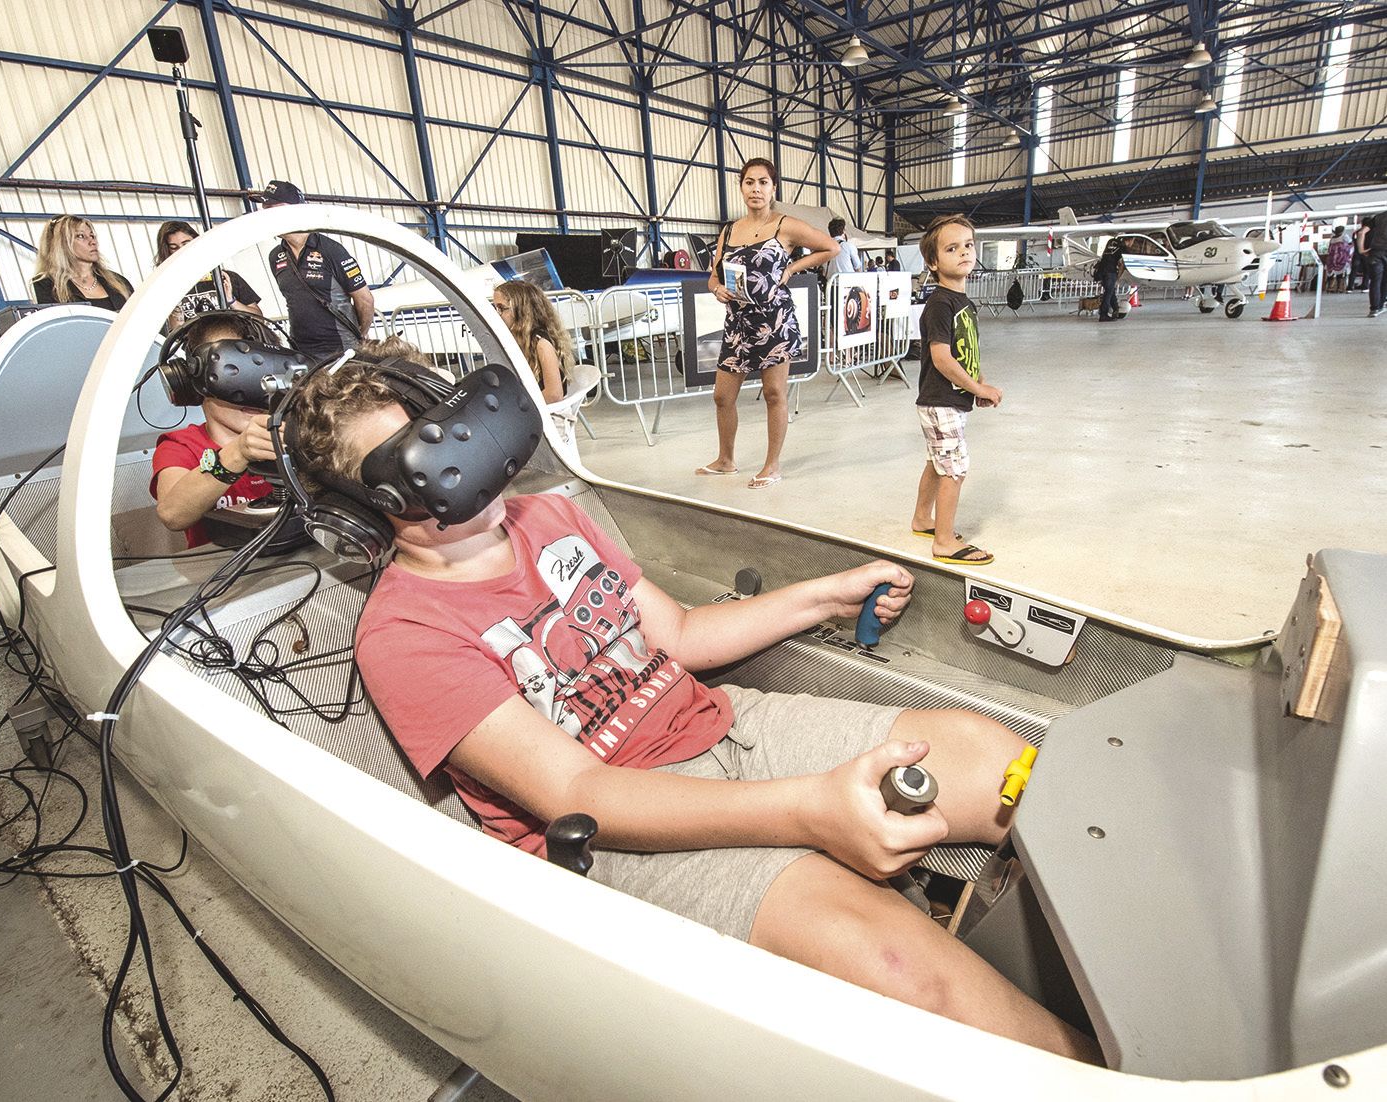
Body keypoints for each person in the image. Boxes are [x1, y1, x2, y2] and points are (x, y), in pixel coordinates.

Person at [277, 363, 1098, 1063]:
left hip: (719, 723)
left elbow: (680, 635)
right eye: (417, 468)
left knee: (997, 765)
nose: (459, 469)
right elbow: (578, 793)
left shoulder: (549, 516)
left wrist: (822, 592)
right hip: (618, 827)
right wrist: (808, 813)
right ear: (364, 508)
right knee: (899, 973)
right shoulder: (403, 631)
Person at [695, 158, 837, 489]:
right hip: (738, 324)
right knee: (722, 396)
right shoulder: (729, 230)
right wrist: (716, 289)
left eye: (763, 182)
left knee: (774, 393)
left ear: (773, 188)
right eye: (749, 182)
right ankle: (726, 459)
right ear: (741, 187)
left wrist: (790, 269)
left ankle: (772, 465)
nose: (755, 189)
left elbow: (830, 247)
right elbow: (713, 275)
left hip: (775, 322)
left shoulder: (785, 225)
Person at [909, 215, 1000, 567]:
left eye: (968, 245)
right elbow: (942, 358)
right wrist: (976, 385)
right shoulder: (940, 304)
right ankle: (944, 541)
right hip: (939, 400)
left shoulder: (964, 303)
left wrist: (976, 386)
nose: (963, 252)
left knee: (938, 461)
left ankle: (922, 520)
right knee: (954, 469)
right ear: (933, 262)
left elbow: (968, 352)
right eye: (951, 248)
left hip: (951, 400)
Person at [149, 313, 279, 547]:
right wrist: (238, 453)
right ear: (194, 382)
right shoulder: (181, 446)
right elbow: (172, 514)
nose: (251, 390)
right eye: (234, 373)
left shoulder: (288, 435)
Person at [260, 180, 376, 360]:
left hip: (341, 349)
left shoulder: (331, 250)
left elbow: (365, 299)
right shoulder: (276, 256)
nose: (267, 214)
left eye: (274, 207)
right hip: (301, 350)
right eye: (265, 208)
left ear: (297, 211)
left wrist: (362, 333)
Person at [155, 220, 264, 329]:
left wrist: (231, 301)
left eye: (186, 244)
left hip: (233, 343)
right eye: (174, 247)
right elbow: (174, 331)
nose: (181, 251)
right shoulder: (167, 286)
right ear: (167, 251)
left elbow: (259, 319)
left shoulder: (227, 278)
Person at [492, 279, 572, 404]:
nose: (497, 314)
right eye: (495, 308)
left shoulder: (541, 344)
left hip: (549, 415)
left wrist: (518, 406)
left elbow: (554, 395)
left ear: (521, 310)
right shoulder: (517, 341)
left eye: (502, 308)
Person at [31, 215, 133, 310]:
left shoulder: (119, 282)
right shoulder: (46, 285)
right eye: (81, 236)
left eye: (92, 236)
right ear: (62, 244)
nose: (92, 242)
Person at [1094, 238, 1124, 322]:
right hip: (1110, 272)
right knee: (1108, 293)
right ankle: (1103, 314)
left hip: (1102, 272)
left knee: (1110, 291)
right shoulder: (1121, 248)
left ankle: (1116, 310)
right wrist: (1118, 278)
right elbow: (1121, 265)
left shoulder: (1109, 247)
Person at [1364, 210, 1387, 318]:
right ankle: (1381, 305)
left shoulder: (1378, 217)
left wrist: (1360, 250)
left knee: (1375, 281)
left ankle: (1374, 309)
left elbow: (1361, 232)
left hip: (1376, 252)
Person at [1323, 229, 1353, 295]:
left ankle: (1334, 286)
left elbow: (1350, 245)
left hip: (1336, 257)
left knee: (1337, 273)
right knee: (1336, 273)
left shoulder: (1336, 238)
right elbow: (1350, 243)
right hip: (1338, 257)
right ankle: (1336, 287)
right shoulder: (1341, 237)